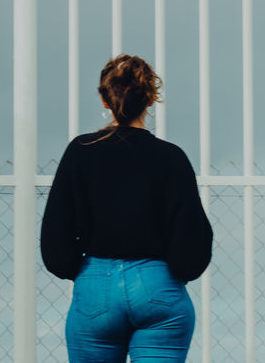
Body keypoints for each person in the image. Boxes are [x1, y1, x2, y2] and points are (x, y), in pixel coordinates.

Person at [40, 54, 213, 363]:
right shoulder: (171, 157)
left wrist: (72, 267)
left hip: (96, 287)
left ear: (106, 101)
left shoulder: (81, 151)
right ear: (150, 99)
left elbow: (57, 228)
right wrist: (175, 272)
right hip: (158, 285)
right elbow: (193, 235)